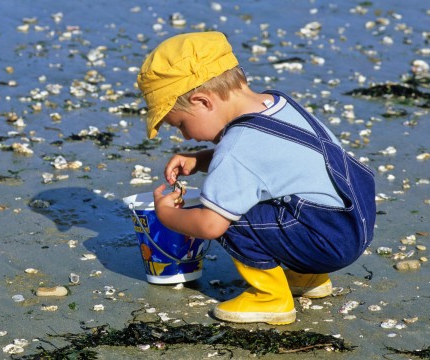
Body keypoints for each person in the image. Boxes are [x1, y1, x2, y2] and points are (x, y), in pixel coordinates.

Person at [136, 31, 376, 325]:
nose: (185, 135)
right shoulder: (278, 104)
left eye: (182, 125)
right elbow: (268, 162)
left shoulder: (237, 146)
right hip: (352, 222)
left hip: (325, 241)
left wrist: (167, 215)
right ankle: (308, 277)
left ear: (202, 101)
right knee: (258, 193)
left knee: (226, 211)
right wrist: (201, 160)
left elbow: (211, 225)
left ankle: (271, 298)